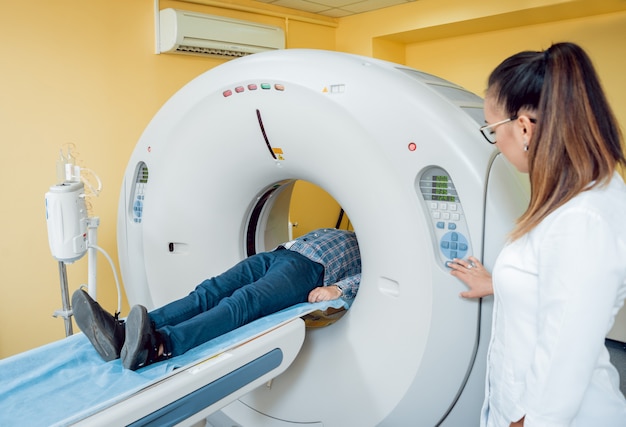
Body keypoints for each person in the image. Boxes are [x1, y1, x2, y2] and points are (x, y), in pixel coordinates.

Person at [448, 42, 626, 427]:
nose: (495, 141)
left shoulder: (583, 217)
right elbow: (562, 288)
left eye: (492, 128)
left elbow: (566, 356)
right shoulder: (571, 196)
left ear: (524, 127)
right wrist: (500, 282)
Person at [72, 228, 360, 370]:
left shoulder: (370, 249)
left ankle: (159, 345)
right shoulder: (336, 229)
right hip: (279, 254)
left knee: (242, 302)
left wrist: (339, 290)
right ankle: (122, 335)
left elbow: (370, 277)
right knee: (207, 291)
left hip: (308, 271)